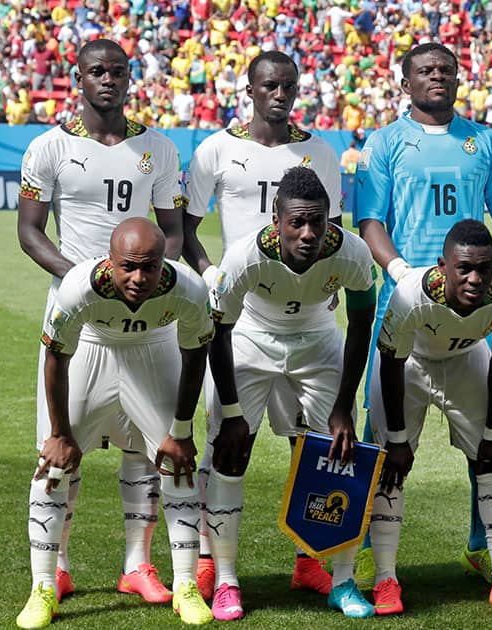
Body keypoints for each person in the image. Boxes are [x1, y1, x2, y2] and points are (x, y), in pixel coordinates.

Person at [16, 38, 185, 608]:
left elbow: (177, 231)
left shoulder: (158, 148)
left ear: (130, 77)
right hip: (79, 319)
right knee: (60, 446)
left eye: (117, 71)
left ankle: (137, 564)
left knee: (148, 447)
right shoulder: (48, 147)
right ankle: (55, 568)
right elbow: (31, 232)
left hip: (146, 317)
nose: (107, 80)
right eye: (96, 71)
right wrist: (86, 282)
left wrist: (143, 278)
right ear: (78, 76)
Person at [353, 42, 492, 587]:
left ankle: (481, 543)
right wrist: (401, 270)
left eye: (446, 70)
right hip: (405, 305)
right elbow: (370, 222)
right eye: (426, 70)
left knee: (487, 437)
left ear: (458, 79)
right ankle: (360, 548)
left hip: (472, 310)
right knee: (379, 441)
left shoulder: (486, 143)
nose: (438, 77)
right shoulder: (384, 143)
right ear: (405, 83)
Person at [182, 50, 344, 600]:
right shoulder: (217, 150)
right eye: (270, 86)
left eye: (289, 86)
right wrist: (211, 275)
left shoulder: (320, 151)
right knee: (229, 440)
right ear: (248, 90)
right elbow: (185, 226)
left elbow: (335, 231)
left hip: (311, 321)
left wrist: (329, 288)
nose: (281, 94)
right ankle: (210, 561)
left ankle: (310, 558)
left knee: (315, 447)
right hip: (244, 320)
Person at [16, 219, 214, 628]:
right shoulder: (78, 288)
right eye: (128, 267)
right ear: (110, 261)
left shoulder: (189, 289)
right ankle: (43, 587)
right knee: (52, 467)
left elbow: (195, 356)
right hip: (92, 349)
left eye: (150, 267)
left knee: (177, 467)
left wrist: (181, 431)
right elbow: (56, 359)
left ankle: (185, 586)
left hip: (154, 351)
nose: (139, 278)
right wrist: (59, 434)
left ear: (165, 263)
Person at [204, 166, 377, 620]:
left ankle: (338, 579)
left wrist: (343, 406)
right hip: (251, 341)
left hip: (318, 343)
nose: (308, 233)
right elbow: (216, 334)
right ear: (275, 221)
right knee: (231, 452)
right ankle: (225, 579)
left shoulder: (352, 254)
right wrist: (232, 411)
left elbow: (361, 326)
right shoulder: (244, 257)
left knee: (339, 456)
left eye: (317, 222)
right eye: (296, 222)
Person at [367, 220, 492, 614]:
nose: (476, 279)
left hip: (466, 359)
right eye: (464, 269)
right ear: (443, 266)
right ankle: (385, 578)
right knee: (390, 464)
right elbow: (391, 363)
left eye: (485, 268)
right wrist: (398, 437)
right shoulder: (411, 295)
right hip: (407, 364)